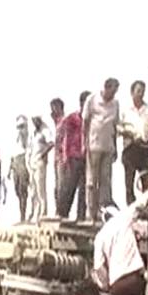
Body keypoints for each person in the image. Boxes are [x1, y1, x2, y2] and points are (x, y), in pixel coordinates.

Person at [83, 78, 120, 221]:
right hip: (93, 145)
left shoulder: (115, 103)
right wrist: (84, 144)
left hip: (108, 146)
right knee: (92, 181)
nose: (113, 94)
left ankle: (104, 211)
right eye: (112, 91)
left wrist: (115, 146)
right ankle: (91, 212)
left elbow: (114, 126)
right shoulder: (92, 99)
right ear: (106, 87)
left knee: (106, 180)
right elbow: (85, 122)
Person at [119, 82, 148, 205]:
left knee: (146, 183)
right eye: (138, 91)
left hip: (144, 148)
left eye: (143, 91)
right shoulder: (125, 110)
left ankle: (147, 209)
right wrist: (127, 133)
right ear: (132, 92)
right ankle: (131, 211)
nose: (141, 93)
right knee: (129, 183)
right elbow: (118, 127)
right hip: (129, 148)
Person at [58, 92, 90, 220]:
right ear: (82, 103)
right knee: (69, 186)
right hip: (74, 155)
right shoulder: (73, 118)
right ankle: (62, 213)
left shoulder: (91, 119)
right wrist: (65, 155)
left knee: (84, 188)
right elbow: (65, 136)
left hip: (87, 156)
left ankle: (81, 216)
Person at [29, 116, 54, 221]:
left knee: (40, 189)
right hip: (32, 162)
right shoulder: (34, 132)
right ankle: (36, 213)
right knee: (33, 190)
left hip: (40, 162)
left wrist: (43, 154)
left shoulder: (45, 130)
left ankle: (43, 213)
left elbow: (51, 143)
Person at [9, 116, 30, 223]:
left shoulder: (27, 136)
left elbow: (26, 146)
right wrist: (9, 168)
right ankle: (21, 214)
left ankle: (23, 216)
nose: (20, 129)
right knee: (17, 189)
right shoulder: (15, 137)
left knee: (23, 189)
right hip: (15, 161)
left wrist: (23, 132)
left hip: (23, 159)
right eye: (18, 126)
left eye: (22, 126)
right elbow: (12, 153)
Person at [50, 98, 65, 216]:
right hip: (56, 157)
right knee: (57, 185)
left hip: (62, 157)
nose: (52, 111)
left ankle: (61, 210)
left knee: (61, 185)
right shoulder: (56, 123)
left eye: (55, 108)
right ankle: (58, 209)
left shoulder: (64, 122)